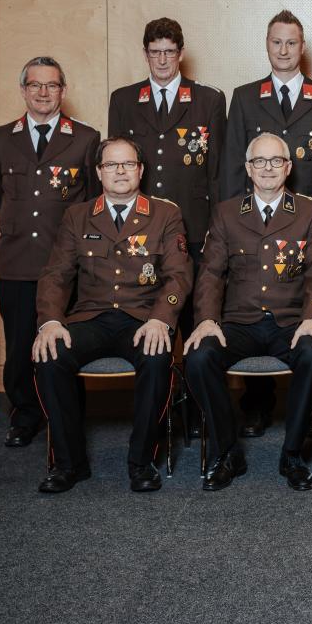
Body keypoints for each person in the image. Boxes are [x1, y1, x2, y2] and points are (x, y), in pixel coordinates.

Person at [32, 137, 193, 493]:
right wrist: (51, 321)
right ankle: (68, 464)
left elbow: (179, 275)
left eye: (128, 164)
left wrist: (161, 318)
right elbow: (56, 275)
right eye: (111, 165)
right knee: (50, 355)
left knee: (156, 356)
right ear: (99, 172)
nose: (120, 171)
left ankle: (142, 462)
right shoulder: (77, 216)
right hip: (91, 318)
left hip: (143, 317)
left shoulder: (165, 214)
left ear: (141, 170)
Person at [183, 133, 312, 491]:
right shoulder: (226, 213)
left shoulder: (310, 212)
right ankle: (227, 452)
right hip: (239, 323)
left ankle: (292, 454)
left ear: (288, 167)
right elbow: (210, 273)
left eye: (276, 160)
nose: (268, 168)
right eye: (259, 161)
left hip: (290, 322)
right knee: (199, 357)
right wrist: (207, 320)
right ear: (248, 169)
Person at [220, 10, 312, 437]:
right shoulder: (244, 97)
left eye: (292, 42)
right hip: (255, 222)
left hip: (311, 222)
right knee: (257, 300)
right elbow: (233, 164)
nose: (284, 50)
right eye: (277, 42)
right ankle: (257, 403)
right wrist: (230, 222)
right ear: (267, 45)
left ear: (303, 47)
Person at [0, 56, 99, 447]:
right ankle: (25, 414)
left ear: (63, 91)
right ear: (23, 90)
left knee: (65, 342)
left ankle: (66, 413)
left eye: (51, 85)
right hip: (17, 260)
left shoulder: (85, 138)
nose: (43, 92)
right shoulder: (2, 138)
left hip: (66, 264)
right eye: (35, 85)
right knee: (20, 344)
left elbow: (92, 203)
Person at [108, 17, 226, 338]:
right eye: (155, 52)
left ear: (181, 53)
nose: (162, 60)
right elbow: (115, 170)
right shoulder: (124, 100)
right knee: (145, 314)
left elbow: (217, 171)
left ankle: (189, 372)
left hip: (194, 226)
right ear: (145, 54)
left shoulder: (209, 99)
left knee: (194, 316)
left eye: (169, 52)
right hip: (141, 227)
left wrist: (218, 228)